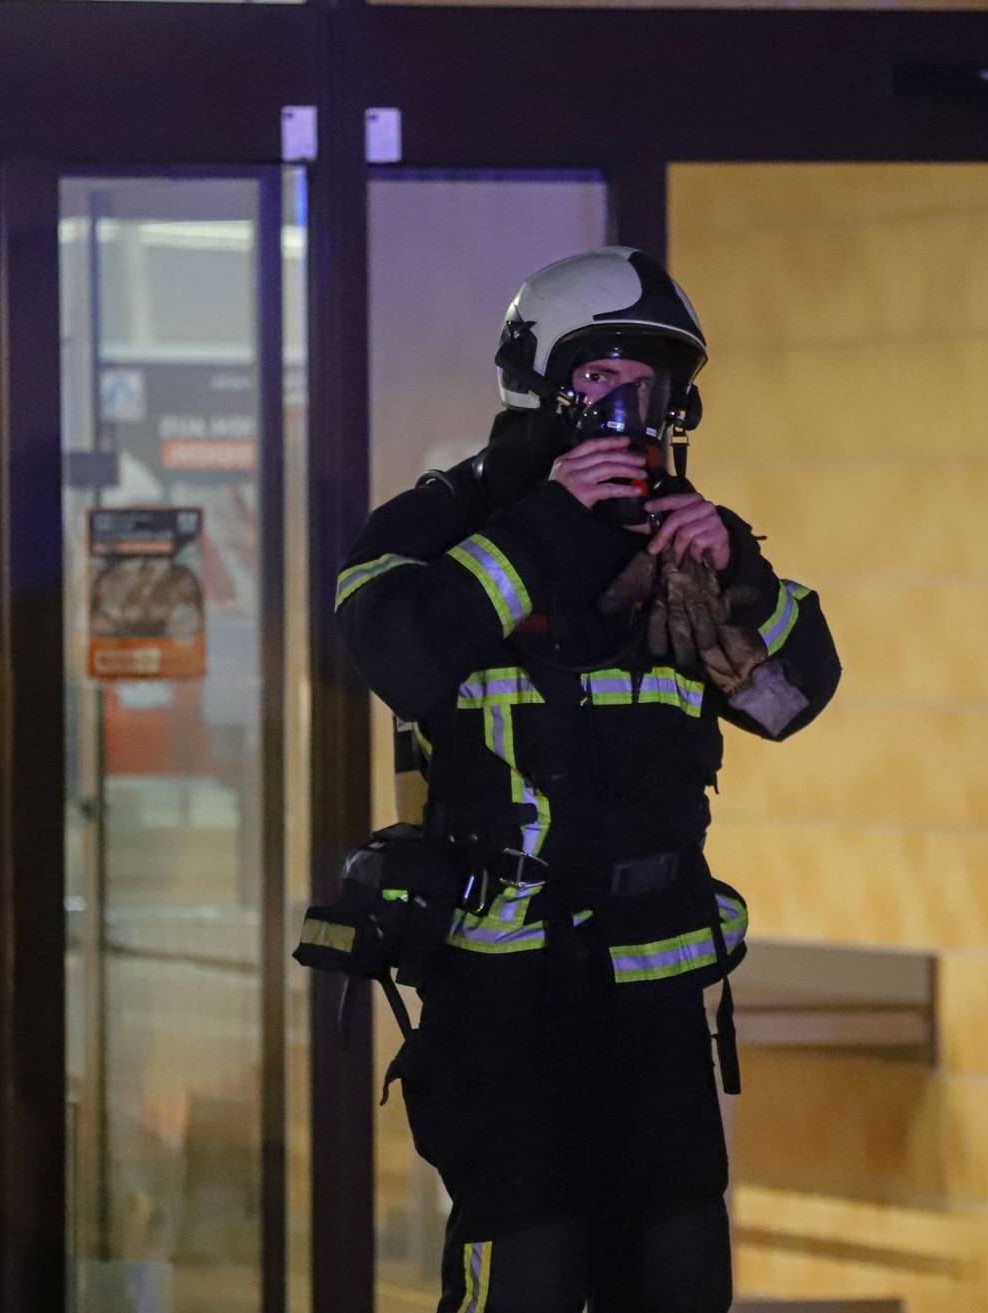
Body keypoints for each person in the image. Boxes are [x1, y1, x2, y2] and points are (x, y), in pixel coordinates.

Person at [333, 246, 839, 1311]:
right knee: (529, 1268)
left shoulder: (689, 537)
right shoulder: (441, 523)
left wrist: (742, 576)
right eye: (603, 376)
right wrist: (549, 527)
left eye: (652, 385)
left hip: (656, 987)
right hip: (504, 992)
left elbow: (792, 701)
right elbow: (399, 654)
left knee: (679, 1270)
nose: (630, 410)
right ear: (539, 378)